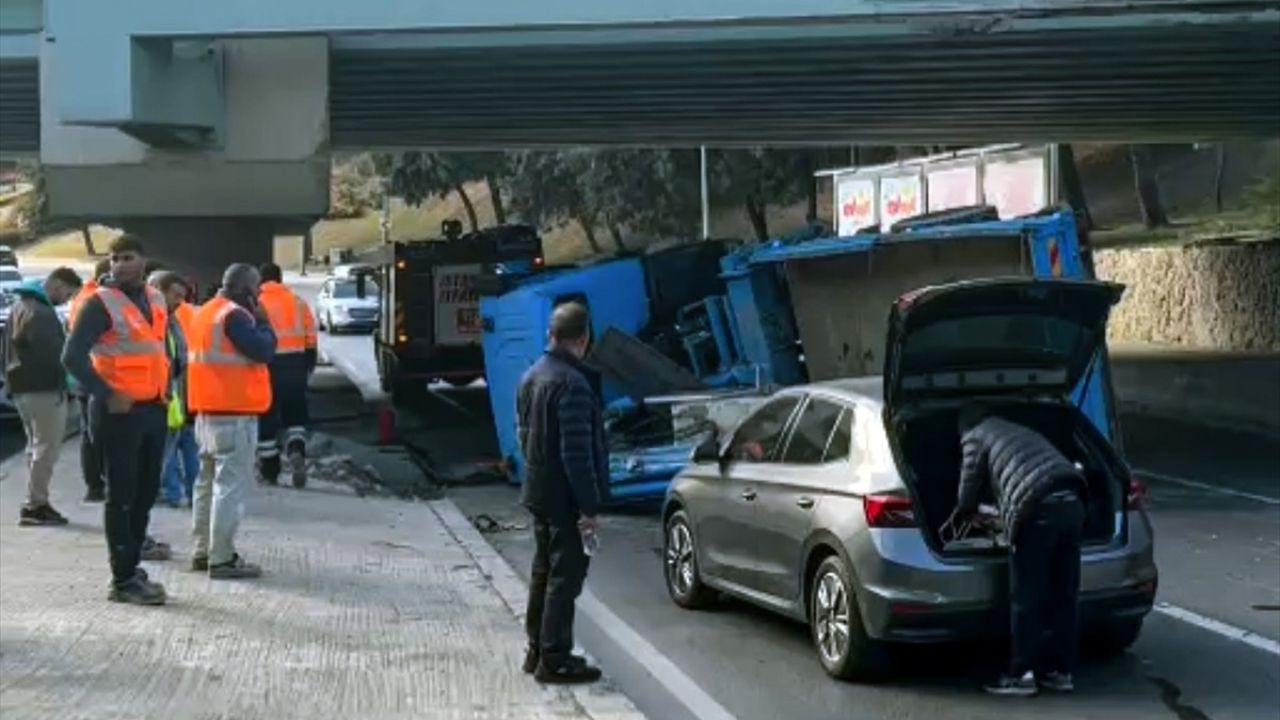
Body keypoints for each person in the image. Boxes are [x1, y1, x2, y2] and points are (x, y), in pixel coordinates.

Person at [947, 404, 1089, 697]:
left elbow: (966, 495)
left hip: (1038, 509)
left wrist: (970, 513)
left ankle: (1021, 674)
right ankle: (1060, 673)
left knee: (1026, 596)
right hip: (1073, 502)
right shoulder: (1016, 430)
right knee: (1064, 594)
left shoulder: (976, 436)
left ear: (965, 428)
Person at [62, 235, 171, 606]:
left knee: (145, 492)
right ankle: (122, 580)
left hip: (152, 409)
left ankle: (131, 563)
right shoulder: (99, 304)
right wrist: (107, 393)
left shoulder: (155, 298)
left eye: (128, 257)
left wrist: (166, 389)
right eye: (114, 258)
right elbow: (72, 357)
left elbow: (158, 349)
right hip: (117, 413)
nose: (119, 264)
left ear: (143, 261)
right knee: (121, 496)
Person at [516, 302, 606, 685]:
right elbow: (577, 454)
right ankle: (555, 658)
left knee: (543, 571)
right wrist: (589, 506)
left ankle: (536, 648)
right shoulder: (573, 385)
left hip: (538, 491)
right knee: (564, 578)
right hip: (564, 498)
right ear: (584, 338)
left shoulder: (531, 376)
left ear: (551, 334)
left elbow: (523, 434)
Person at [187, 263, 276, 579]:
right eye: (257, 290)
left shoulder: (205, 312)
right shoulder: (235, 316)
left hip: (206, 412)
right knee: (229, 488)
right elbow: (264, 350)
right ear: (246, 290)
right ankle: (222, 558)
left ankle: (202, 551)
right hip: (234, 415)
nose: (259, 296)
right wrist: (264, 322)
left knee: (206, 484)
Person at [4, 267, 82, 526]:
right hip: (45, 389)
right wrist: (68, 383)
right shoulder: (42, 313)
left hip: (22, 387)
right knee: (47, 447)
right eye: (68, 294)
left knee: (34, 446)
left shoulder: (20, 306)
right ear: (58, 284)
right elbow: (55, 357)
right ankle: (36, 504)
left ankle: (34, 498)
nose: (67, 300)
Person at [255, 262, 317, 488]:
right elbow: (311, 335)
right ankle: (296, 450)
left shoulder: (257, 303)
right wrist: (309, 362)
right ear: (280, 279)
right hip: (296, 364)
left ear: (261, 280)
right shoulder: (298, 302)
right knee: (296, 413)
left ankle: (270, 470)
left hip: (268, 367)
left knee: (267, 417)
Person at [67, 257, 112, 502]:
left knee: (90, 433)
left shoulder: (85, 296)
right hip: (94, 373)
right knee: (95, 434)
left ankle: (95, 484)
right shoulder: (96, 300)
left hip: (87, 374)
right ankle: (96, 485)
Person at [149, 271, 195, 509]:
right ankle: (165, 491)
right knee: (162, 451)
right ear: (159, 291)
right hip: (155, 398)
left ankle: (170, 492)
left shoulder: (171, 320)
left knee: (170, 447)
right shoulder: (151, 319)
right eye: (176, 295)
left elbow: (178, 358)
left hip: (172, 396)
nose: (180, 301)